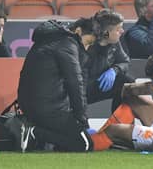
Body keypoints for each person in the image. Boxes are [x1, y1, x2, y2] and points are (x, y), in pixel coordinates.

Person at [17, 18, 97, 152]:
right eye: (88, 43)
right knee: (85, 144)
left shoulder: (49, 40)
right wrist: (81, 118)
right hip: (48, 108)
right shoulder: (67, 43)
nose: (86, 48)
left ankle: (36, 133)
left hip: (32, 105)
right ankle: (35, 133)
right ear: (78, 31)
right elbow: (75, 83)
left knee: (68, 142)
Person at [87, 9, 135, 113]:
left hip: (102, 83)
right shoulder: (87, 45)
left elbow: (125, 61)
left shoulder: (114, 42)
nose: (122, 31)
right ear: (106, 33)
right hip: (82, 88)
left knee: (127, 83)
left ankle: (118, 123)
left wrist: (114, 70)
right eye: (118, 29)